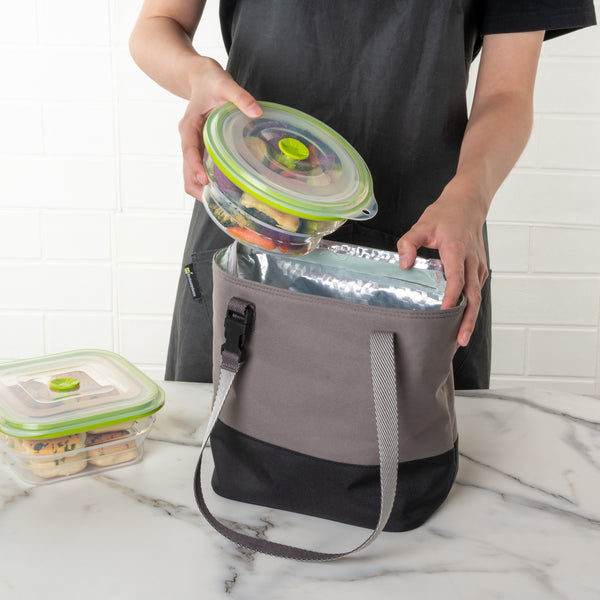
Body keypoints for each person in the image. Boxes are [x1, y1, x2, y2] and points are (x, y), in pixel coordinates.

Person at [129, 0, 596, 389]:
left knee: (412, 460)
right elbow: (157, 24)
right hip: (253, 219)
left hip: (423, 237)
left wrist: (470, 197)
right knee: (219, 453)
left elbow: (507, 93)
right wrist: (196, 74)